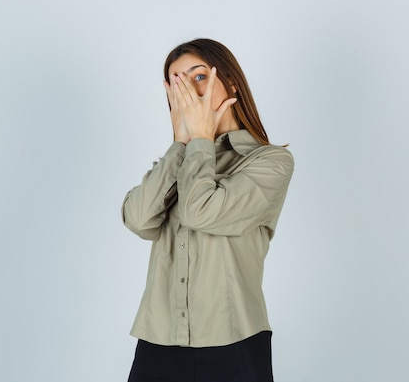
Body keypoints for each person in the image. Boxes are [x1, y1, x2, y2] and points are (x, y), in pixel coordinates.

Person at [122, 38, 294, 382]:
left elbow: (202, 211)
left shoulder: (270, 162)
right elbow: (139, 220)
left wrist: (199, 139)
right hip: (158, 340)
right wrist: (181, 144)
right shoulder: (178, 161)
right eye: (177, 82)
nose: (188, 90)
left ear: (230, 81)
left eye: (198, 76)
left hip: (234, 343)